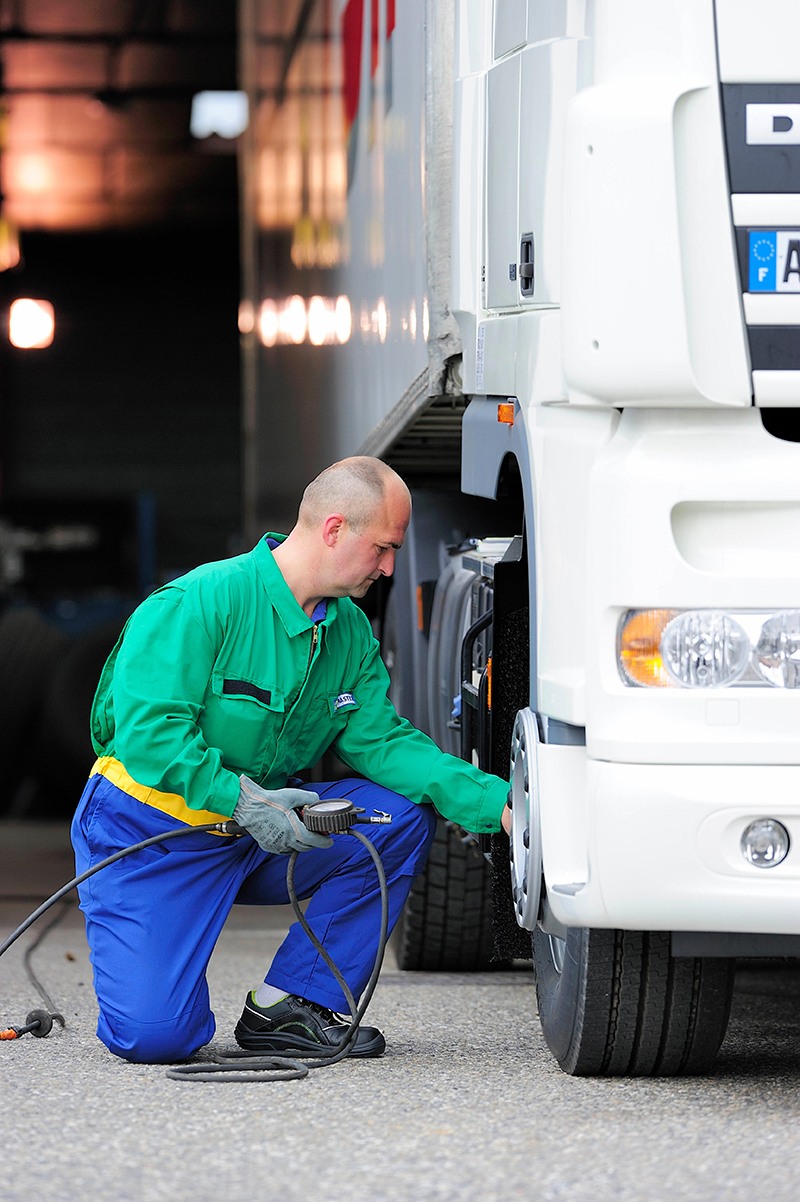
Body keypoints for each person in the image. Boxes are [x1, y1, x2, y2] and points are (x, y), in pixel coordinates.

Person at [70, 456, 512, 1064]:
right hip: (149, 835)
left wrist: (498, 803)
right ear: (334, 529)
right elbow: (150, 737)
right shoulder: (200, 602)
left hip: (257, 836)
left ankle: (291, 1004)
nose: (389, 568)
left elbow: (383, 743)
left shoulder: (348, 631)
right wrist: (241, 800)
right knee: (157, 1038)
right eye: (383, 548)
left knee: (396, 818)